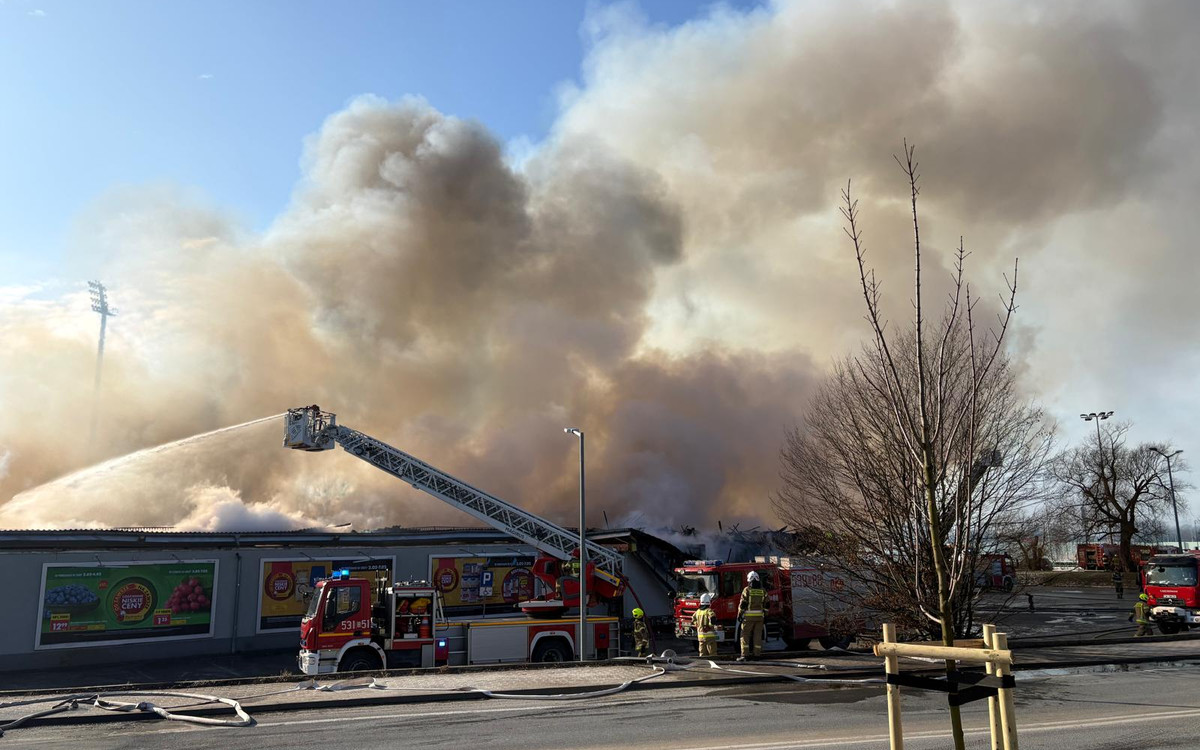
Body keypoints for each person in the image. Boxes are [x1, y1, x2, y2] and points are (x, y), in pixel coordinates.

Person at [737, 571, 767, 661]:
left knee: (745, 635)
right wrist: (766, 615)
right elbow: (767, 604)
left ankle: (744, 655)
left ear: (749, 580)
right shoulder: (763, 590)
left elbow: (743, 604)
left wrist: (739, 614)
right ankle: (757, 655)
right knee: (757, 635)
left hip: (748, 617)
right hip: (760, 618)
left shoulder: (747, 590)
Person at [693, 593, 718, 658]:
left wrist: (698, 625)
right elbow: (713, 619)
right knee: (712, 653)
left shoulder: (697, 611)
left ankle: (703, 666)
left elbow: (693, 620)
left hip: (700, 637)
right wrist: (710, 626)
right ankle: (714, 664)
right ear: (709, 602)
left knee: (702, 653)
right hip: (709, 637)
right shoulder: (709, 611)